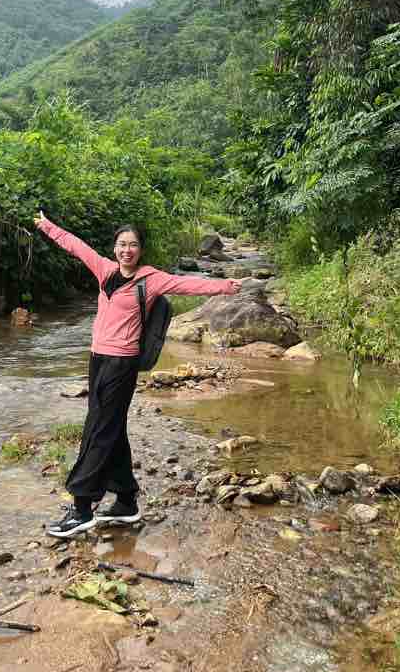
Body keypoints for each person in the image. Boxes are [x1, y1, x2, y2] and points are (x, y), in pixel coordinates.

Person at [33, 210, 244, 537]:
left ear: (140, 249)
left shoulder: (151, 278)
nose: (126, 250)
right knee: (111, 427)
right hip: (97, 358)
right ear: (115, 247)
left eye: (132, 245)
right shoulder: (104, 269)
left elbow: (188, 284)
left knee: (98, 429)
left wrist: (225, 287)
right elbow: (75, 246)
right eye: (121, 244)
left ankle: (82, 507)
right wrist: (46, 225)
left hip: (122, 363)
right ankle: (127, 501)